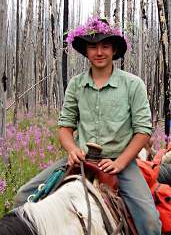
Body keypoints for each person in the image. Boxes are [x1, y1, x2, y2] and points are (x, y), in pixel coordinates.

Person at [15, 16, 161, 234]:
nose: (99, 52)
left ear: (114, 50)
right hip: (82, 159)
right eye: (93, 46)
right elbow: (65, 126)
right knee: (22, 197)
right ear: (86, 51)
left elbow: (143, 131)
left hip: (120, 161)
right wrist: (73, 150)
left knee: (150, 223)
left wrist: (120, 163)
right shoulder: (76, 84)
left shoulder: (132, 84)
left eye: (105, 45)